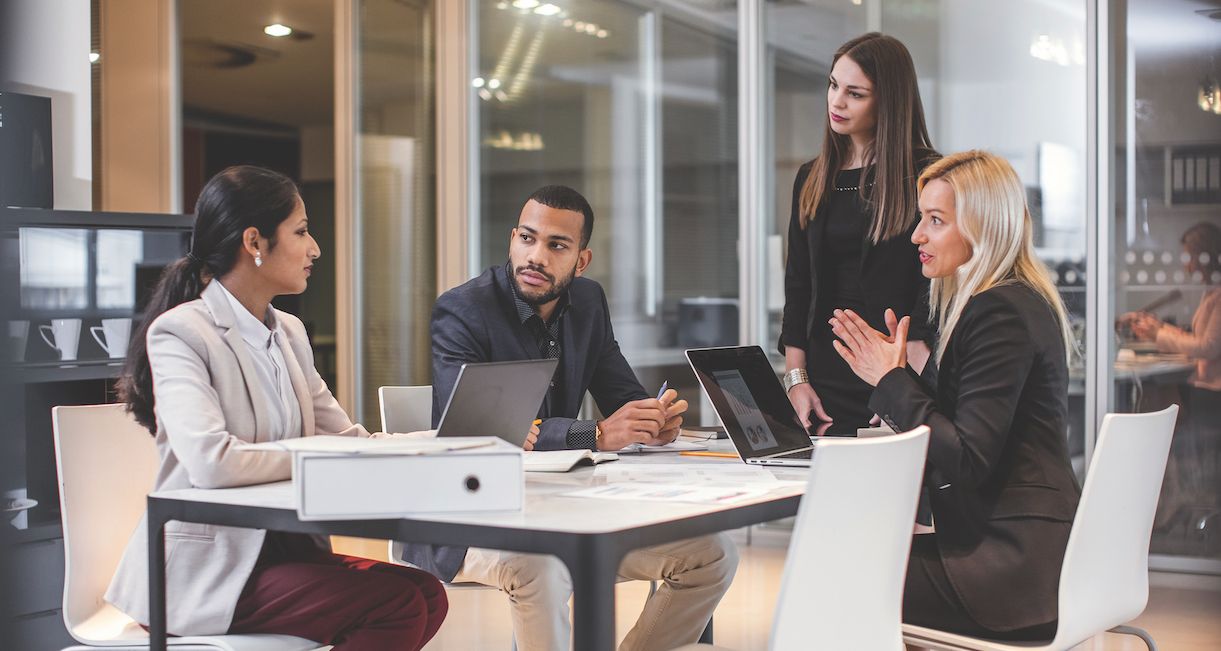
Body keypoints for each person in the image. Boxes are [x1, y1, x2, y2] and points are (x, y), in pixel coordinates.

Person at [106, 166, 446, 650]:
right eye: (302, 232)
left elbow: (347, 441)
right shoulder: (182, 332)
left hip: (280, 551)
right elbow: (212, 462)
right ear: (254, 242)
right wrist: (314, 454)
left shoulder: (289, 332)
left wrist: (446, 441)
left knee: (427, 593)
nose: (315, 249)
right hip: (204, 576)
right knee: (397, 604)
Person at [399, 185, 739, 651]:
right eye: (527, 238)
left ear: (581, 261)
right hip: (469, 520)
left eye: (556, 245)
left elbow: (621, 394)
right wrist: (595, 433)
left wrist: (651, 420)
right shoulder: (463, 310)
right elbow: (485, 429)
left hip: (568, 508)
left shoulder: (588, 302)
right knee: (544, 564)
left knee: (712, 553)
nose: (535, 256)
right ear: (512, 239)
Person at [830, 150, 1082, 639]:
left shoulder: (998, 313)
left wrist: (891, 380)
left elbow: (966, 459)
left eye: (936, 220)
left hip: (1010, 570)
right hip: (1031, 556)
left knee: (837, 573)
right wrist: (899, 377)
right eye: (922, 218)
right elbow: (961, 426)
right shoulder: (1014, 301)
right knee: (856, 561)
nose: (917, 236)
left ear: (982, 227)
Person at [779, 32, 940, 434]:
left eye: (855, 94)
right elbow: (798, 285)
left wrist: (904, 387)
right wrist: (796, 380)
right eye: (833, 85)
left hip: (893, 370)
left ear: (888, 101)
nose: (836, 102)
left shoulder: (926, 174)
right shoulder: (813, 177)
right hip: (823, 380)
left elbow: (935, 287)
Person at [1123, 221, 1221, 529]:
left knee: (1170, 429)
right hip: (1205, 389)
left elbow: (1207, 347)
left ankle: (1172, 508)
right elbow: (1200, 340)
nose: (1187, 264)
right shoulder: (1211, 293)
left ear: (1206, 255)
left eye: (1191, 256)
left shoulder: (1218, 295)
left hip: (1212, 394)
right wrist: (1160, 330)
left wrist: (1160, 334)